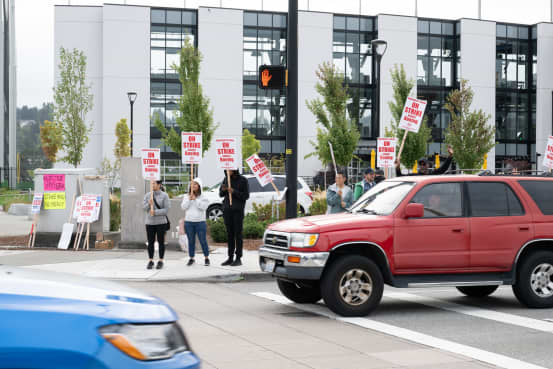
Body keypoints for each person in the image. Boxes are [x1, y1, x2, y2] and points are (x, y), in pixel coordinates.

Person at [219, 169, 250, 266]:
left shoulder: (243, 180)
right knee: (230, 234)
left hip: (238, 211)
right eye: (226, 170)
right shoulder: (226, 179)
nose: (228, 171)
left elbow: (246, 196)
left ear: (234, 169)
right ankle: (230, 257)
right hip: (227, 210)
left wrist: (234, 191)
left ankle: (238, 258)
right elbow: (220, 194)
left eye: (230, 169)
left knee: (238, 234)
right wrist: (223, 190)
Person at [181, 177, 210, 266]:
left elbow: (203, 207)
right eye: (192, 184)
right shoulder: (186, 196)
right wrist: (189, 200)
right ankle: (191, 258)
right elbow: (183, 207)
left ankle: (206, 258)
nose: (193, 186)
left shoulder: (203, 197)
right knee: (191, 241)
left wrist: (196, 200)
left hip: (200, 222)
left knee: (203, 240)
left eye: (195, 184)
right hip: (189, 222)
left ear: (199, 186)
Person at [143, 180, 170, 270]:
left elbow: (166, 209)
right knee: (150, 242)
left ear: (159, 185)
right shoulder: (147, 195)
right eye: (152, 183)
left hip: (161, 223)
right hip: (150, 223)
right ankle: (150, 260)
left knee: (161, 242)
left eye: (154, 183)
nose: (152, 185)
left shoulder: (164, 195)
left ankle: (160, 260)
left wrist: (155, 212)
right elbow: (143, 208)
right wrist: (149, 204)